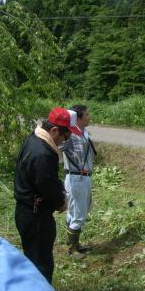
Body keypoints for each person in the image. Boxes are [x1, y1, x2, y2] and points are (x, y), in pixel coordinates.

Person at [14, 107, 75, 283]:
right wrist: (61, 201)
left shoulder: (34, 140)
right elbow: (46, 184)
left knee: (33, 258)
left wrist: (59, 190)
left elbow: (47, 178)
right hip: (36, 217)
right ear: (54, 130)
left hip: (26, 212)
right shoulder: (42, 153)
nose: (65, 140)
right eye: (65, 136)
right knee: (41, 265)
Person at [61, 105, 97, 259]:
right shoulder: (70, 135)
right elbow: (57, 146)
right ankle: (72, 249)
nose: (89, 117)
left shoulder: (82, 132)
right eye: (87, 114)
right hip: (77, 177)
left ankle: (75, 244)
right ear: (79, 118)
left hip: (82, 177)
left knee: (78, 210)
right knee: (78, 213)